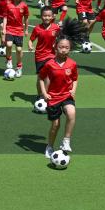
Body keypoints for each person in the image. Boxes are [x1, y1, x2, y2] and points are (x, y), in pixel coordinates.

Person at [38, 26, 79, 157]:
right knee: (56, 125)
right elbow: (41, 78)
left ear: (70, 49)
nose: (64, 50)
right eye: (61, 47)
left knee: (71, 113)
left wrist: (73, 89)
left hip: (66, 95)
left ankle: (66, 141)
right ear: (56, 47)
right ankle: (49, 146)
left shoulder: (72, 64)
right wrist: (44, 93)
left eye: (67, 47)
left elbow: (75, 79)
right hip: (53, 97)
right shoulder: (49, 64)